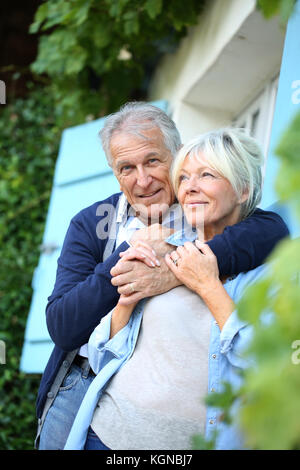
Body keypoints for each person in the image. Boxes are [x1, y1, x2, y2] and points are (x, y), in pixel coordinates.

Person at [36, 103, 288, 450]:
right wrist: (127, 259)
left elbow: (272, 229)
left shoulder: (199, 208)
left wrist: (175, 270)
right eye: (127, 168)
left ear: (176, 154)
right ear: (115, 172)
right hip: (83, 374)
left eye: (153, 161)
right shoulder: (93, 222)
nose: (142, 180)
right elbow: (64, 326)